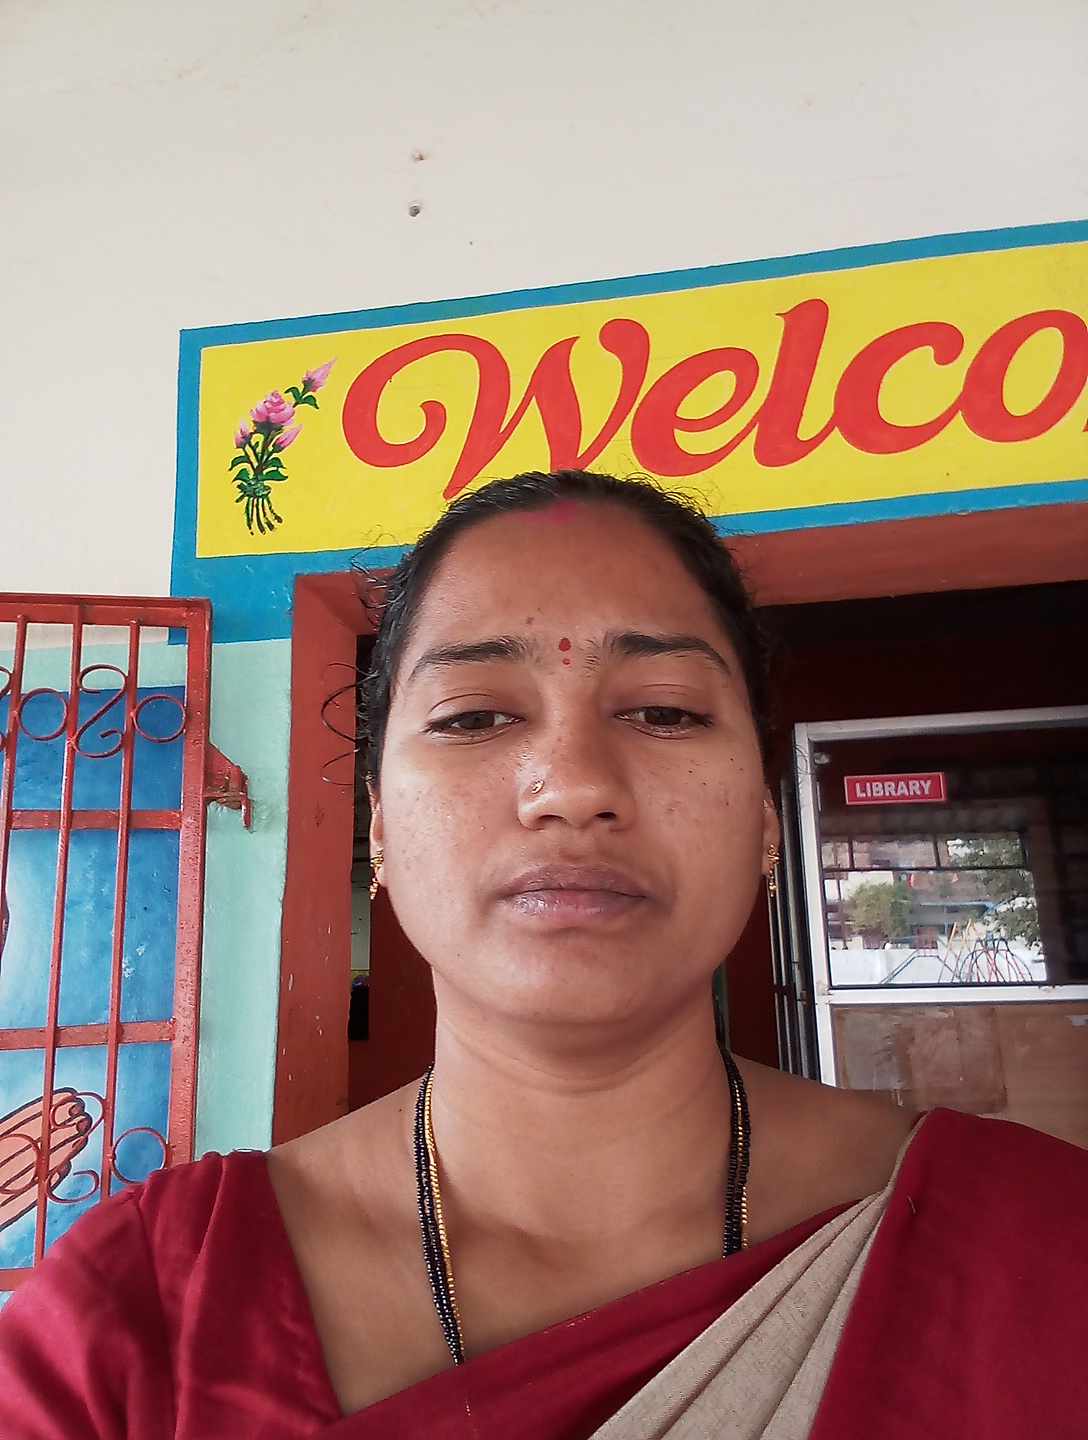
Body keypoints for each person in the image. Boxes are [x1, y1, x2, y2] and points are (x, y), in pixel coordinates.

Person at [0, 469, 1084, 1438]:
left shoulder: (1041, 1251)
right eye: (474, 719)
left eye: (663, 711)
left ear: (763, 822)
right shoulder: (136, 1320)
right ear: (380, 828)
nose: (571, 786)